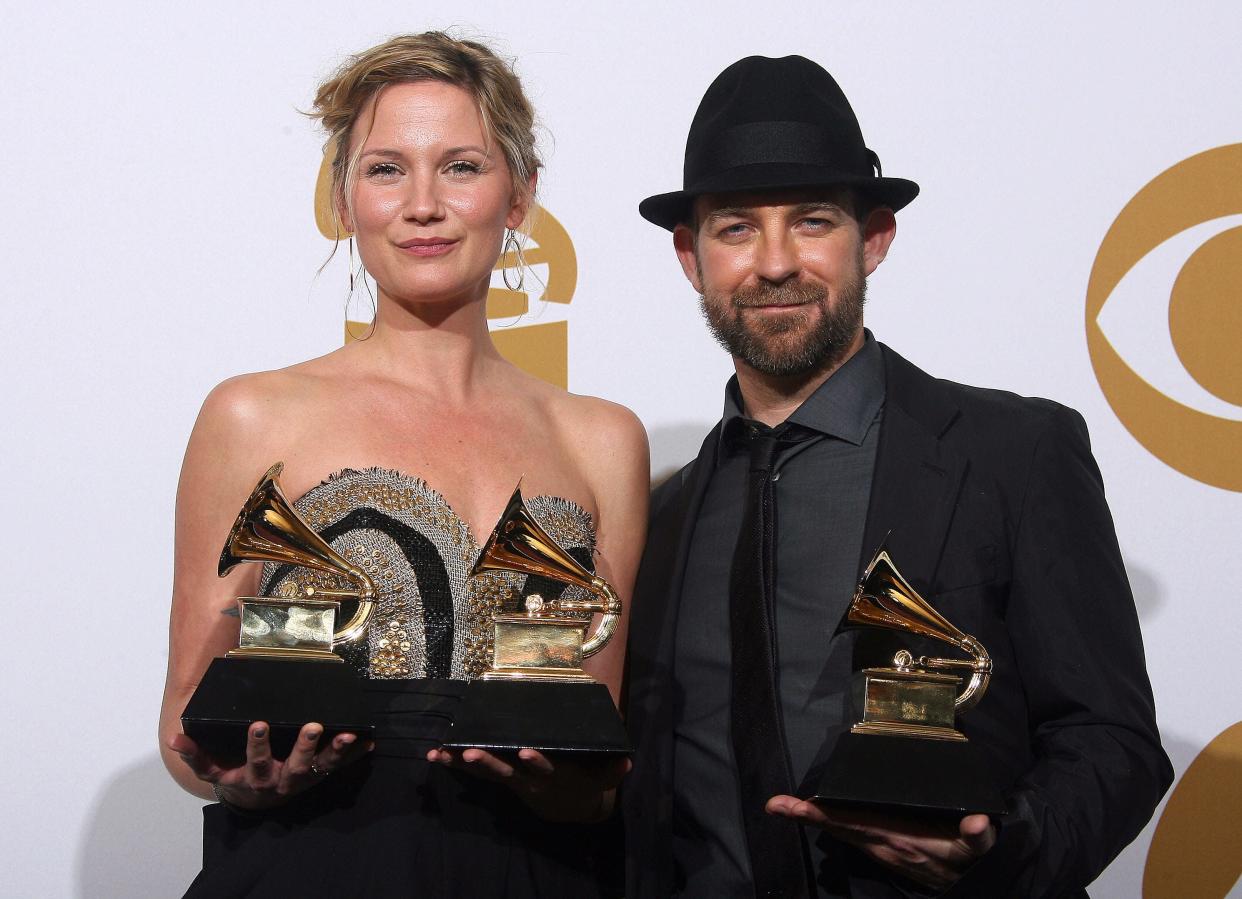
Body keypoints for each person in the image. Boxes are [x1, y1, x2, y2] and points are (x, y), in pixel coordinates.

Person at [623, 55, 1172, 898]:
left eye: (810, 222)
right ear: (690, 257)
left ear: (872, 239)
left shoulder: (1016, 453)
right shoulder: (659, 517)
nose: (774, 263)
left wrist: (1000, 848)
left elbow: (1114, 741)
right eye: (736, 228)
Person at [157, 32, 647, 897]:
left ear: (521, 194)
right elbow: (185, 730)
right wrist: (245, 777)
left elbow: (598, 762)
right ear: (344, 201)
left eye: (461, 165)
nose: (424, 204)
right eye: (387, 169)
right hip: (312, 865)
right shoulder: (252, 413)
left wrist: (573, 792)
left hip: (541, 875)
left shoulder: (602, 438)